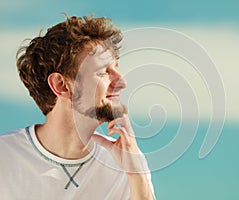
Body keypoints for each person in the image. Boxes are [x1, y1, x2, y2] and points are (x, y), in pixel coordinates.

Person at [0, 15, 155, 200]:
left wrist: (136, 173)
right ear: (61, 85)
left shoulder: (125, 164)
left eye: (116, 69)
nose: (121, 82)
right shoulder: (5, 157)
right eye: (104, 72)